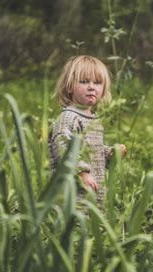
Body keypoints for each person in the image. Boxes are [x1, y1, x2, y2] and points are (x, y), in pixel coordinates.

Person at [49, 55, 126, 205]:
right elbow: (63, 148)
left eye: (97, 83)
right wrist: (81, 172)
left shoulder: (94, 119)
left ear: (103, 89)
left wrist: (109, 154)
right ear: (70, 86)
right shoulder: (68, 118)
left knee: (91, 225)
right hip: (71, 197)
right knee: (75, 226)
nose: (91, 87)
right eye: (84, 81)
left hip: (92, 196)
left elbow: (90, 149)